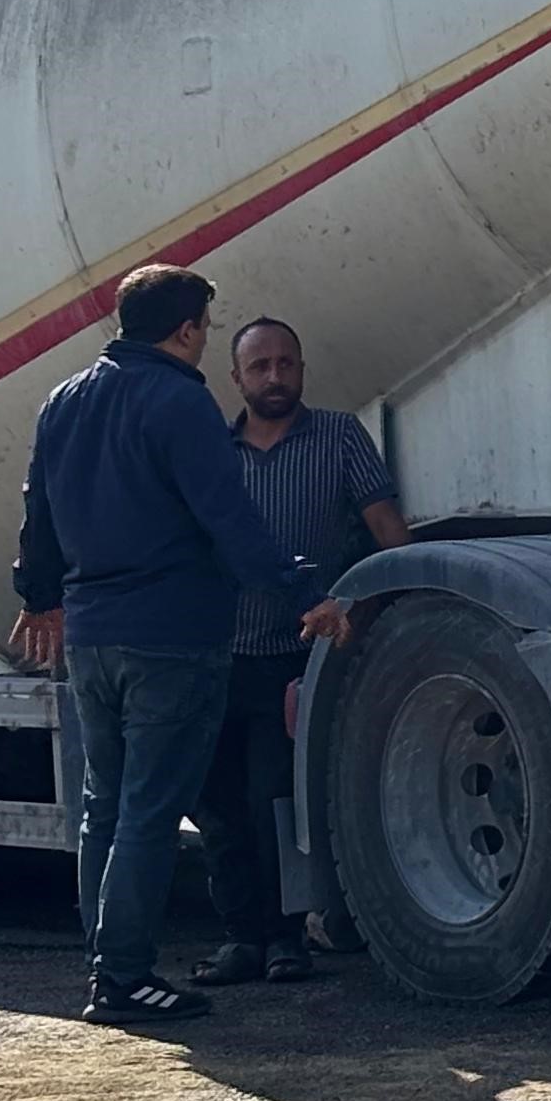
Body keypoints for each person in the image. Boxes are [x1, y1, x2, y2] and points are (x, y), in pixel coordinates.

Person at [11, 265, 351, 1027]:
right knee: (149, 812)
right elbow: (228, 519)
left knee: (105, 806)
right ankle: (124, 979)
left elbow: (39, 510)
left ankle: (106, 961)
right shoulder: (180, 401)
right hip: (170, 633)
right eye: (205, 325)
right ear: (188, 329)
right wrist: (305, 595)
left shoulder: (64, 399)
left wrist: (38, 596)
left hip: (92, 634)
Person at [195, 315, 409, 984]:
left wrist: (361, 610)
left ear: (302, 370)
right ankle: (240, 939)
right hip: (213, 657)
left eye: (287, 363)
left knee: (273, 802)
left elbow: (389, 538)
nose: (275, 377)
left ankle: (286, 936)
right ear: (236, 378)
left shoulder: (340, 437)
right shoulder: (208, 450)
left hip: (294, 657)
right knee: (218, 807)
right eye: (260, 367)